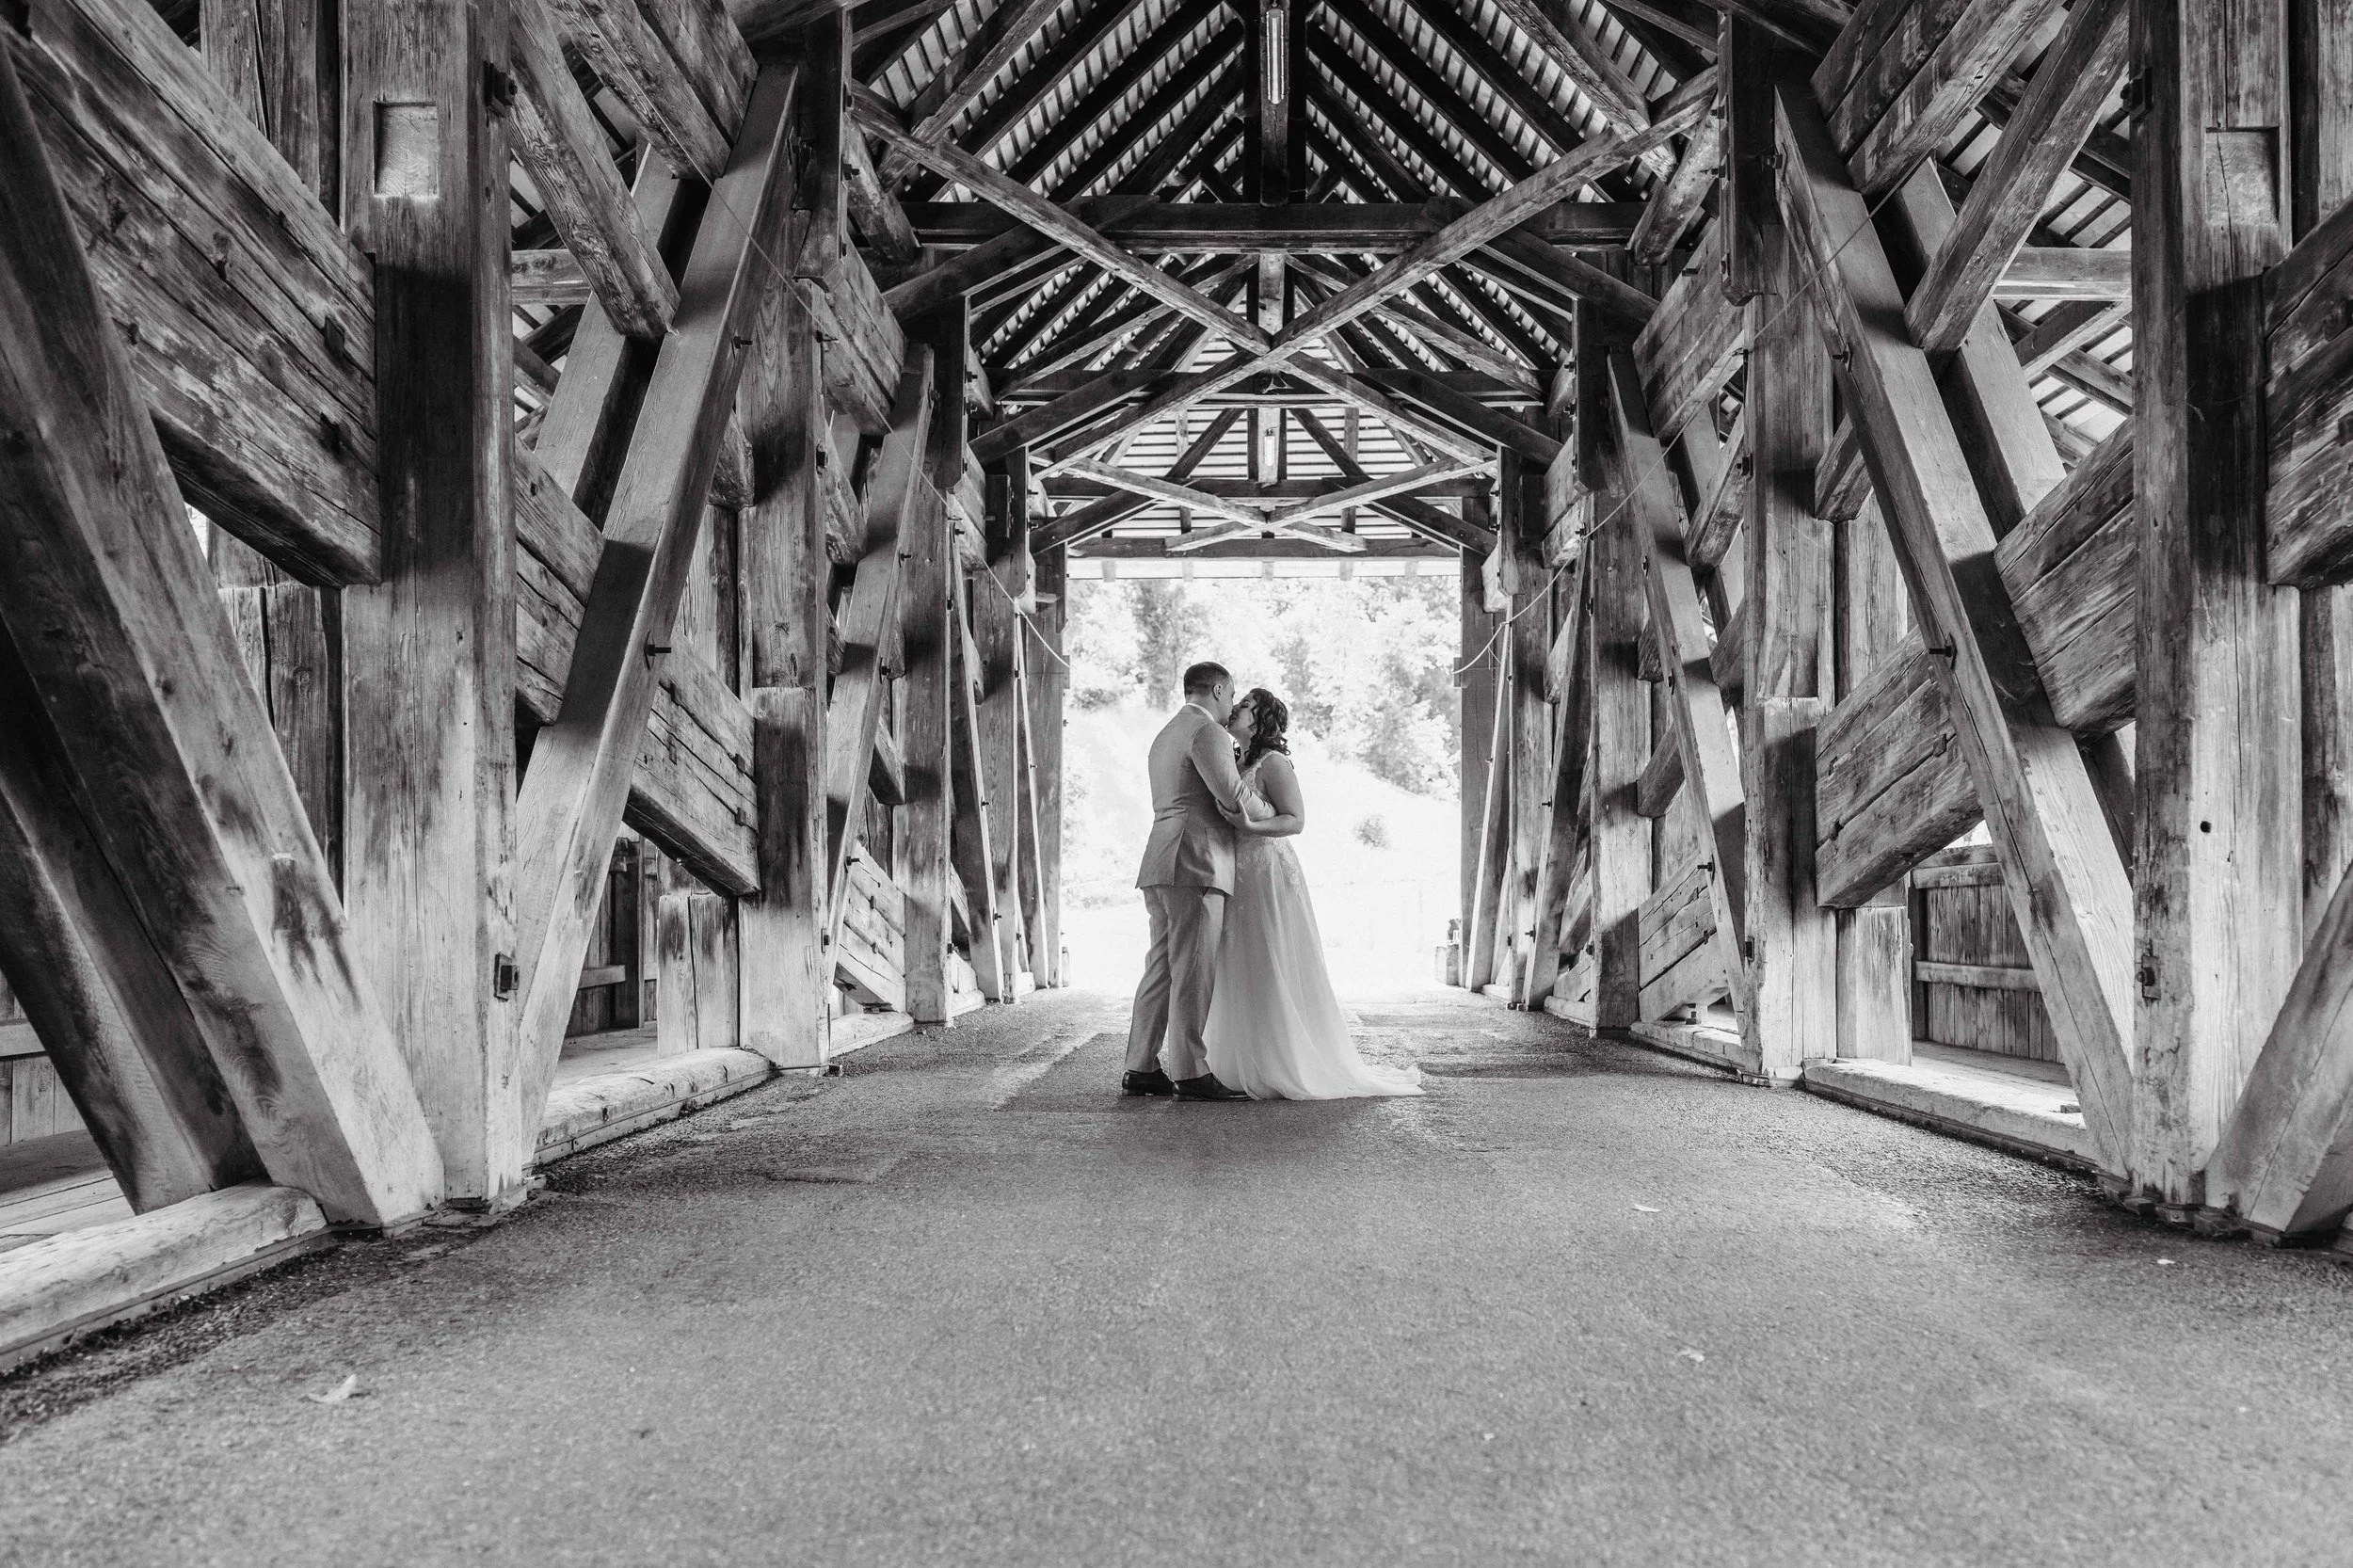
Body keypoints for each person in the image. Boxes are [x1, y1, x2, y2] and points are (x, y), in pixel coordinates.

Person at [1204, 688, 1423, 1100]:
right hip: (1238, 870)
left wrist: (1250, 828)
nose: (1235, 708)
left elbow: (1295, 820)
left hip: (1267, 868)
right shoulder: (1235, 760)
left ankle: (1283, 1060)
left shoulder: (1274, 764)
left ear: (1261, 718)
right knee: (1241, 959)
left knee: (1273, 956)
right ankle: (1242, 1059)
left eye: (1246, 704)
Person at [1122, 662, 1251, 1100]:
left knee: (1160, 967)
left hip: (1161, 857)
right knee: (1193, 968)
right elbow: (1231, 796)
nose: (1231, 706)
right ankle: (1191, 1071)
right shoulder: (1207, 731)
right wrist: (1274, 813)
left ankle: (1139, 1067)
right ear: (1217, 689)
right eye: (1231, 696)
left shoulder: (1166, 733)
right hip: (1195, 859)